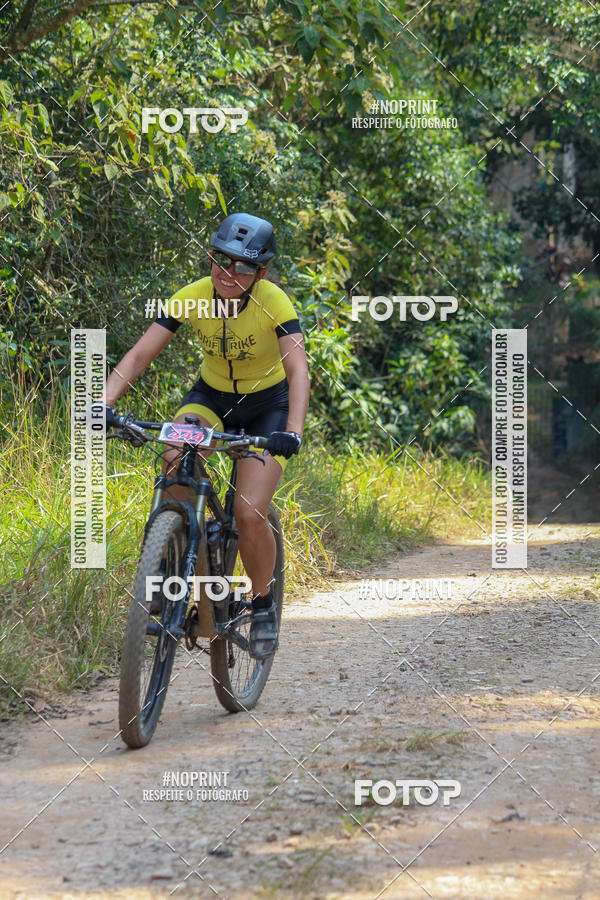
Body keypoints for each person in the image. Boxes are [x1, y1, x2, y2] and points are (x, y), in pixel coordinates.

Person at [104, 212, 310, 658]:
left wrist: (292, 431)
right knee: (175, 458)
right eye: (221, 259)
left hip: (267, 409)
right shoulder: (193, 296)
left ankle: (261, 606)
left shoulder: (273, 303)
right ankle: (166, 573)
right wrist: (103, 402)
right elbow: (141, 353)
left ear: (262, 273)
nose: (228, 272)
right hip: (210, 399)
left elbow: (297, 369)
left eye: (243, 266)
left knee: (249, 512)